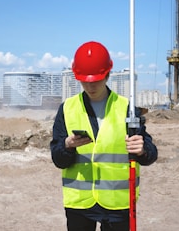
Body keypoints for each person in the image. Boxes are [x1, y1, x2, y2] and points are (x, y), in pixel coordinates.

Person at [50, 41, 158, 231]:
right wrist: (67, 146)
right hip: (80, 204)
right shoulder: (67, 109)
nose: (90, 86)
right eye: (85, 81)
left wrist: (142, 150)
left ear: (107, 75)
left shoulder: (127, 109)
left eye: (96, 80)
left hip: (118, 203)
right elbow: (58, 159)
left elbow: (151, 154)